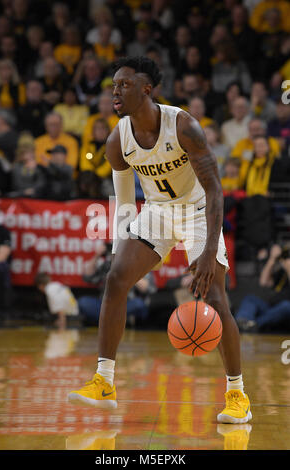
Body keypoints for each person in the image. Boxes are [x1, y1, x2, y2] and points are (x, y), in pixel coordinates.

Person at [68, 56, 251, 425]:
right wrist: (122, 250)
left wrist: (207, 251)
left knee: (215, 296)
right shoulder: (117, 139)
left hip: (199, 211)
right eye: (113, 86)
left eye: (124, 85)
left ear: (147, 90)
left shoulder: (183, 125)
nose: (115, 92)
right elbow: (122, 202)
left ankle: (237, 395)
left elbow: (216, 191)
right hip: (158, 212)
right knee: (116, 279)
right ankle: (104, 383)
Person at [235, 243, 290, 332]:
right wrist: (272, 259)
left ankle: (253, 324)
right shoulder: (281, 273)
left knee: (286, 306)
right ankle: (242, 321)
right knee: (250, 299)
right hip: (271, 307)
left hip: (285, 309)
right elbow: (263, 282)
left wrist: (288, 268)